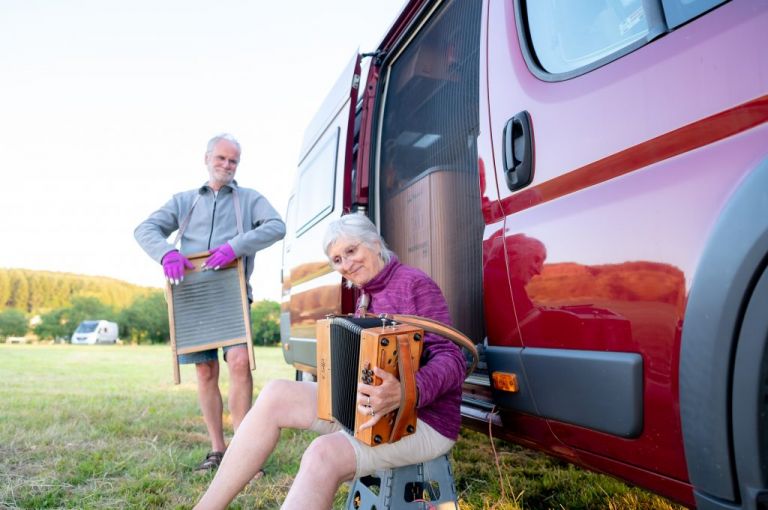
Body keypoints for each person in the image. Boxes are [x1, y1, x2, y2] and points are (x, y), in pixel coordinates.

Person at [194, 213, 466, 509]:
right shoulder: (365, 297)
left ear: (375, 243)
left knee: (321, 453)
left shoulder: (414, 284)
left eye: (352, 251)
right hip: (370, 413)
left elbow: (453, 358)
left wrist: (404, 391)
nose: (346, 265)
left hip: (424, 421)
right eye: (337, 260)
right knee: (276, 393)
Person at [134, 133, 286, 471]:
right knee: (205, 371)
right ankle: (218, 449)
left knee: (240, 362)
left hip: (231, 295)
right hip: (191, 298)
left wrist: (237, 246)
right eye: (221, 158)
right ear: (207, 159)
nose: (227, 165)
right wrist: (167, 253)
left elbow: (277, 226)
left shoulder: (249, 199)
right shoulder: (183, 200)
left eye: (233, 161)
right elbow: (145, 229)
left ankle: (243, 449)